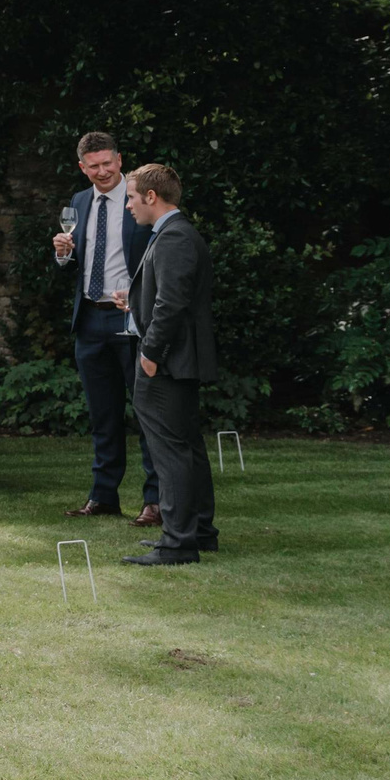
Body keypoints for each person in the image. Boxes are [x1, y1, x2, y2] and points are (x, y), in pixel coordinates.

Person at [52, 131, 161, 526]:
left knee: (146, 409)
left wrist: (141, 300)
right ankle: (103, 496)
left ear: (120, 158)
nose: (102, 171)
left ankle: (155, 500)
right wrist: (64, 255)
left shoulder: (141, 199)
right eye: (93, 166)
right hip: (90, 319)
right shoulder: (79, 202)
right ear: (83, 168)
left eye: (108, 163)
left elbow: (160, 255)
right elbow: (79, 260)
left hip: (131, 317)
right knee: (103, 415)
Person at [121, 165, 219, 566]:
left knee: (172, 451)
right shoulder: (175, 234)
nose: (128, 205)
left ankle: (178, 543)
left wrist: (150, 354)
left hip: (168, 361)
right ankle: (198, 531)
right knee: (187, 446)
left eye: (131, 197)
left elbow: (172, 303)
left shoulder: (174, 236)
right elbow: (165, 296)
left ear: (150, 196)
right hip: (176, 359)